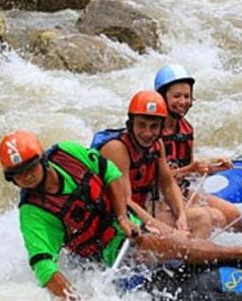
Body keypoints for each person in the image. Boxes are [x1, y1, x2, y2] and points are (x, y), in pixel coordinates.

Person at [0, 130, 242, 300]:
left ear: (42, 160)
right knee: (166, 246)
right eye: (17, 175)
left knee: (173, 245)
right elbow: (44, 266)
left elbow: (110, 174)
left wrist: (123, 217)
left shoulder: (67, 154)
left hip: (126, 227)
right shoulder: (32, 213)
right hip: (104, 255)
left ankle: (241, 256)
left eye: (30, 168)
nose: (25, 177)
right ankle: (239, 256)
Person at [92, 91, 217, 239]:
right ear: (131, 124)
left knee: (201, 218)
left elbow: (168, 185)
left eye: (154, 127)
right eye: (142, 125)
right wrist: (165, 230)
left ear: (161, 127)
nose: (147, 133)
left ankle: (191, 259)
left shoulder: (157, 144)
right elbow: (126, 201)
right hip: (116, 223)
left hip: (141, 215)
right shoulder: (116, 149)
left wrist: (181, 216)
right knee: (179, 238)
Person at [154, 64, 242, 231]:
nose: (183, 102)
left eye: (187, 96)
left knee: (232, 214)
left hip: (183, 191)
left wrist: (213, 166)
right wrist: (190, 169)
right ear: (162, 97)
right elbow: (157, 181)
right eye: (177, 96)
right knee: (216, 218)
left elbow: (188, 170)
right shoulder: (151, 132)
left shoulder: (186, 128)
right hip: (159, 199)